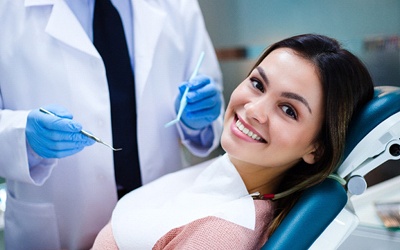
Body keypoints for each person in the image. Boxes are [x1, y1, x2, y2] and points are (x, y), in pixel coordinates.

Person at [92, 33, 374, 249]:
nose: (253, 110)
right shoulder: (221, 177)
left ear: (317, 148)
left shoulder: (221, 233)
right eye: (257, 84)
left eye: (288, 110)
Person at [0, 0, 223, 249]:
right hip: (58, 225)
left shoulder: (178, 6)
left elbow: (206, 84)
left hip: (160, 208)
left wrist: (199, 119)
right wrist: (23, 136)